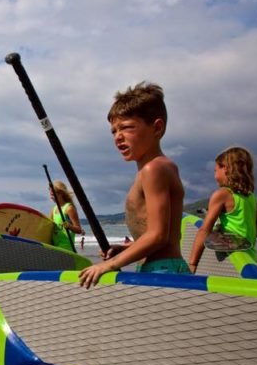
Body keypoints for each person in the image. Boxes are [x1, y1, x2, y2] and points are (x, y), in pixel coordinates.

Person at [79, 82, 189, 288]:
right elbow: (158, 232)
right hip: (160, 268)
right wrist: (126, 248)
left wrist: (108, 265)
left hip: (163, 272)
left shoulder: (154, 169)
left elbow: (158, 236)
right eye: (113, 131)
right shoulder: (155, 168)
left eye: (127, 127)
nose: (118, 137)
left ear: (157, 127)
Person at [188, 146, 257, 273]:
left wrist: (192, 263)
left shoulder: (222, 194)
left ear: (226, 169)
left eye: (215, 170)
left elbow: (204, 230)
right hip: (250, 259)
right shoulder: (251, 196)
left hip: (233, 262)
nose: (215, 175)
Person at [48, 180, 85, 252]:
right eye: (50, 194)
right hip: (55, 248)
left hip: (67, 249)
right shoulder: (54, 209)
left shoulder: (69, 208)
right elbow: (50, 227)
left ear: (61, 193)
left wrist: (69, 226)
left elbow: (79, 229)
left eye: (53, 194)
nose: (51, 196)